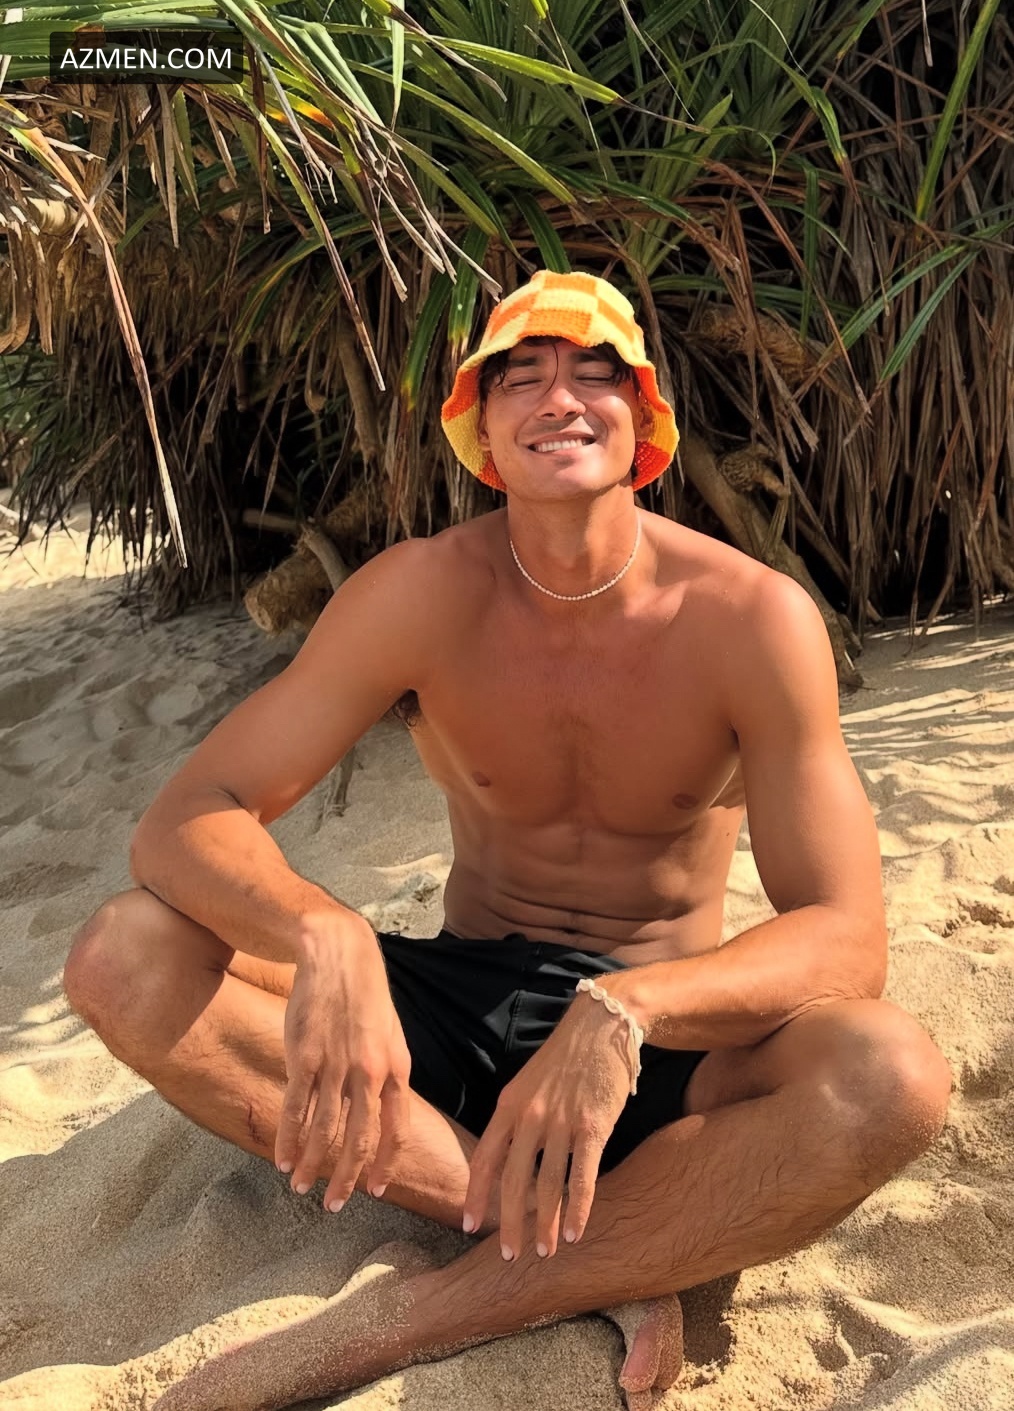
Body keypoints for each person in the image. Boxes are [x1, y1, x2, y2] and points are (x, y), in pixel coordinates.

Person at [64, 270, 952, 1411]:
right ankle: (597, 1253)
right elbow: (186, 818)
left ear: (645, 421)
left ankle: (416, 1316)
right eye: (521, 376)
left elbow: (845, 937)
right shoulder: (419, 593)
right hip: (455, 1010)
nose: (560, 398)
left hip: (663, 1042)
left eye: (596, 374)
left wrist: (628, 1008)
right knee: (123, 955)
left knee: (889, 1076)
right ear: (479, 430)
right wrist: (326, 931)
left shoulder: (749, 617)